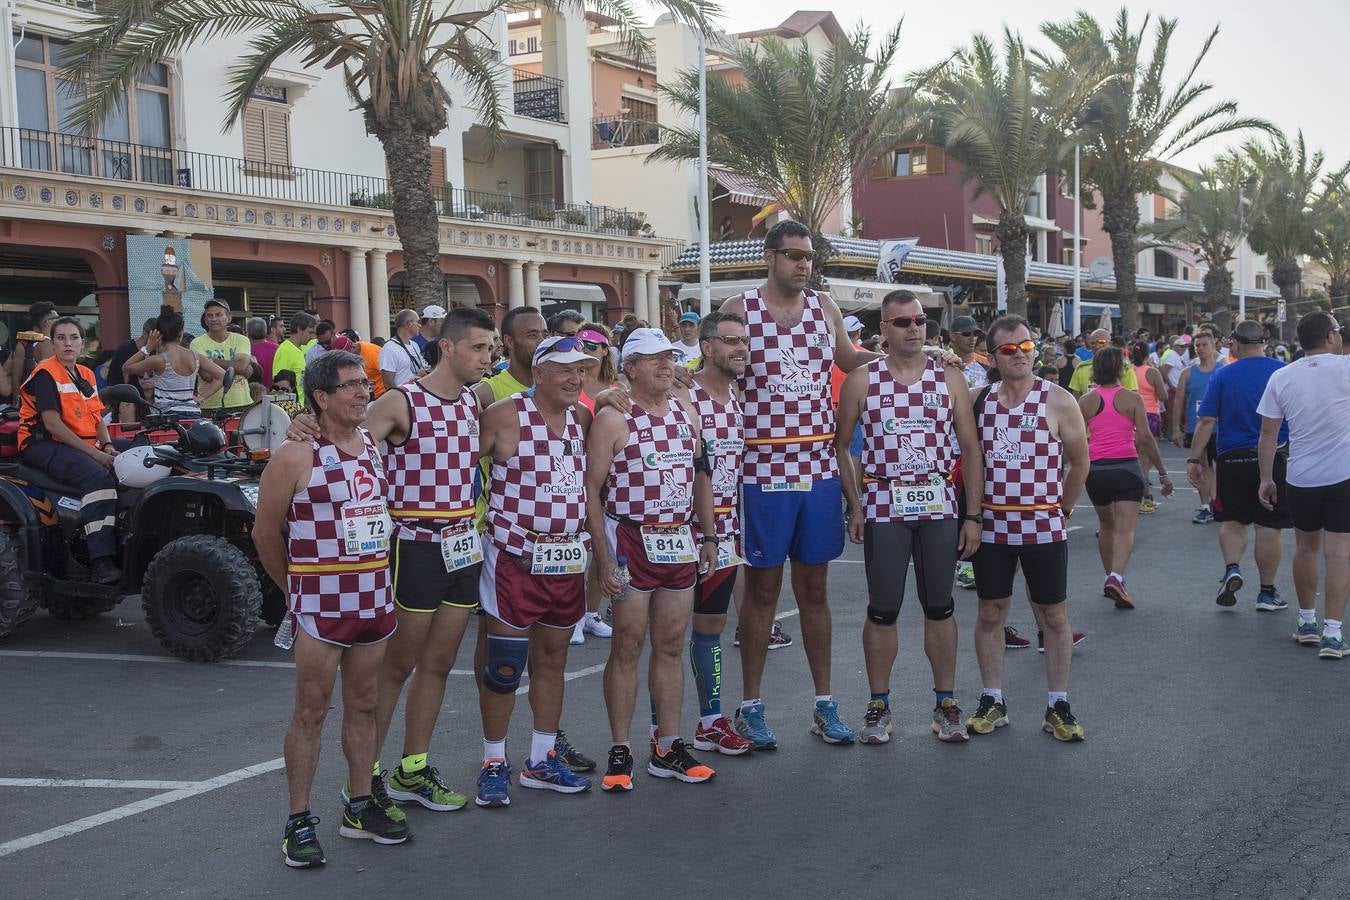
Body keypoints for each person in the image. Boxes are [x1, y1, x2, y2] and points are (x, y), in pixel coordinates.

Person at [286, 309, 496, 823]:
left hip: (462, 543)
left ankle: (413, 768)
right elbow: (343, 439)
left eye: (490, 349)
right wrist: (302, 424)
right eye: (479, 348)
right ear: (447, 348)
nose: (488, 359)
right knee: (395, 667)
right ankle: (367, 778)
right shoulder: (402, 401)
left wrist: (607, 395)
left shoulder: (477, 397)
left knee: (440, 664)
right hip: (414, 545)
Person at [717, 220, 880, 750]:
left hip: (818, 469)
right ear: (769, 257)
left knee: (815, 591)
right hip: (761, 468)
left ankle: (824, 704)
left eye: (809, 256)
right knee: (762, 592)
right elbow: (713, 368)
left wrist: (911, 359)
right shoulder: (739, 309)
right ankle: (751, 706)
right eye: (792, 255)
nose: (803, 264)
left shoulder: (824, 307)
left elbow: (849, 361)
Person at [253, 351, 407, 867]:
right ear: (321, 397)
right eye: (351, 386)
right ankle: (298, 821)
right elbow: (263, 532)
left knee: (365, 703)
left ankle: (359, 806)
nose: (364, 392)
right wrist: (293, 591)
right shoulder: (295, 455)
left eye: (365, 384)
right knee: (311, 711)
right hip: (321, 603)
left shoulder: (373, 444)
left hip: (375, 599)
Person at [835, 291, 983, 745]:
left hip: (939, 502)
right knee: (883, 610)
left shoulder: (949, 378)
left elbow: (972, 449)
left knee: (940, 605)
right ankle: (878, 705)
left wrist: (973, 515)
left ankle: (946, 703)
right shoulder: (862, 380)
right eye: (902, 321)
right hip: (884, 504)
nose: (913, 327)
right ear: (884, 328)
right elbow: (841, 445)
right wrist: (855, 504)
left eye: (919, 319)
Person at [586, 328, 718, 790]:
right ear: (630, 368)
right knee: (626, 645)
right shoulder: (613, 418)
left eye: (668, 357)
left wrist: (709, 535)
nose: (664, 365)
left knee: (671, 644)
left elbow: (702, 474)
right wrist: (602, 558)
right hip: (631, 539)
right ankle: (620, 748)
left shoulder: (686, 412)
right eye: (651, 358)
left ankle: (668, 745)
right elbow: (591, 492)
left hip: (679, 539)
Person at [475, 335, 600, 807]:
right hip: (513, 558)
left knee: (553, 661)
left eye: (582, 370)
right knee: (505, 666)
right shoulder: (505, 414)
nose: (576, 378)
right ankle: (493, 763)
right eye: (566, 369)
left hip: (566, 560)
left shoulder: (582, 418)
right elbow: (455, 463)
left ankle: (542, 759)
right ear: (540, 370)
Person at [965, 315, 1090, 742]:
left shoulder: (1058, 400)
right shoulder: (977, 399)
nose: (1020, 355)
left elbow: (1080, 461)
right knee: (989, 613)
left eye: (1026, 346)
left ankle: (1058, 704)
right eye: (1009, 349)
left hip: (1044, 526)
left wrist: (1065, 510)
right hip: (993, 526)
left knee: (1053, 616)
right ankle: (992, 699)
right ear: (993, 356)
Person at [677, 311, 754, 755]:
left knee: (711, 627)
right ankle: (660, 735)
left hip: (725, 533)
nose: (740, 348)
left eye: (743, 340)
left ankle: (710, 721)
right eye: (729, 340)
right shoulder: (682, 393)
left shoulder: (742, 394)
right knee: (667, 637)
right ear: (706, 347)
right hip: (677, 532)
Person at [1257, 312, 1350, 657]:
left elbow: (1268, 433)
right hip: (1344, 474)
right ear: (1329, 336)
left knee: (1306, 548)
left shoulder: (1282, 376)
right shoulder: (1346, 368)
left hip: (1301, 476)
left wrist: (1266, 478)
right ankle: (1333, 633)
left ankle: (1308, 621)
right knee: (1340, 553)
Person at [1188, 320, 1290, 612]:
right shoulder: (1280, 372)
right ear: (1263, 342)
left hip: (1232, 458)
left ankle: (1232, 567)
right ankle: (1267, 593)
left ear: (1235, 343)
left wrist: (1195, 460)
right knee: (1269, 525)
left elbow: (1206, 421)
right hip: (1273, 456)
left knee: (1232, 521)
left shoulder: (1222, 375)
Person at [17, 317, 121, 584]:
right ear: (52, 344)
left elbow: (97, 419)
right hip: (42, 442)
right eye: (61, 338)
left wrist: (108, 445)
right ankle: (101, 561)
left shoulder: (86, 374)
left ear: (82, 343)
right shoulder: (46, 373)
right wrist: (96, 454)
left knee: (140, 456)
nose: (67, 343)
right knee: (98, 478)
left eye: (73, 337)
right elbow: (52, 424)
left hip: (78, 442)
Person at [1079, 346, 1173, 610]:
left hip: (1095, 470)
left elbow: (1073, 439)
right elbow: (1145, 438)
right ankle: (1116, 578)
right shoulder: (1132, 399)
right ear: (1121, 369)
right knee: (1125, 529)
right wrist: (1163, 473)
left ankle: (1112, 577)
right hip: (1126, 468)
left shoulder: (1085, 401)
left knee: (1106, 526)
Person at [572, 322, 618, 644]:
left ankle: (591, 612)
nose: (586, 351)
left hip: (608, 478)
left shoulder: (619, 386)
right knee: (577, 550)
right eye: (581, 344)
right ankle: (572, 616)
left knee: (602, 548)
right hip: (572, 475)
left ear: (605, 350)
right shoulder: (571, 379)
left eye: (592, 346)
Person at [121, 305, 229, 416]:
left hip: (168, 417)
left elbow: (126, 367)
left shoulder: (158, 360)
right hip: (193, 413)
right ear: (181, 333)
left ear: (158, 334)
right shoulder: (195, 356)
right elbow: (223, 375)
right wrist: (201, 397)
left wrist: (148, 348)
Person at [1173, 329, 1221, 524]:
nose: (1200, 349)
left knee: (1221, 469)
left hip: (1221, 428)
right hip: (1196, 427)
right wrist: (1176, 428)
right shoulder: (1187, 373)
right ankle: (1206, 506)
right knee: (1203, 467)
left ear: (1213, 346)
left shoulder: (1223, 370)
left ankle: (1218, 504)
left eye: (1204, 345)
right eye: (1197, 346)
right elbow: (1178, 401)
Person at [192, 298, 253, 411]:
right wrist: (237, 368)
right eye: (209, 315)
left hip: (241, 403)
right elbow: (207, 376)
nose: (214, 319)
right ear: (205, 320)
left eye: (218, 314)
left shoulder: (242, 340)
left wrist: (211, 361)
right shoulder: (197, 343)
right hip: (210, 406)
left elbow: (242, 366)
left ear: (228, 318)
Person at [1130, 341, 1168, 513]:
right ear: (1148, 354)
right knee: (1145, 462)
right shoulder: (1152, 372)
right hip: (1150, 415)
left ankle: (1138, 496)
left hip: (1131, 416)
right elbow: (1163, 395)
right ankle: (1145, 497)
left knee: (1135, 459)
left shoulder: (1128, 371)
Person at [10, 301, 58, 401]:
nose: (59, 322)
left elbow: (16, 375)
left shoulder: (24, 343)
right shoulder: (49, 343)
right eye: (57, 318)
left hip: (29, 398)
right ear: (48, 322)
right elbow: (53, 376)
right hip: (48, 399)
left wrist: (17, 400)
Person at [1068, 329, 1138, 395]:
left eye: (1101, 342)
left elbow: (1132, 395)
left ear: (1110, 343)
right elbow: (1076, 398)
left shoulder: (1124, 367)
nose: (1097, 346)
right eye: (1093, 343)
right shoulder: (1081, 368)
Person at [379, 309, 431, 392]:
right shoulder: (389, 348)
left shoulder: (415, 345)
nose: (420, 325)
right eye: (417, 322)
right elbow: (388, 384)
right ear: (409, 323)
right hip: (403, 400)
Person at [106, 318, 158, 388]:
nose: (157, 341)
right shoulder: (126, 348)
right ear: (145, 333)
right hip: (123, 392)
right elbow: (126, 378)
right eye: (155, 337)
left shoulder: (155, 350)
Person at [273, 312, 317, 393]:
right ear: (299, 329)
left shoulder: (301, 348)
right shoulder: (285, 351)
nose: (313, 337)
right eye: (310, 332)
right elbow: (279, 386)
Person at [246, 317, 277, 390]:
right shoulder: (277, 348)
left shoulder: (245, 351)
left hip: (252, 394)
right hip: (274, 394)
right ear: (266, 331)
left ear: (248, 333)